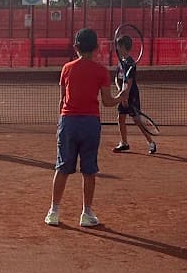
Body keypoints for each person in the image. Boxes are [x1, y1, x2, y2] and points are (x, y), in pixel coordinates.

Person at [46, 28, 117, 228]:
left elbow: (62, 100)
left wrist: (61, 124)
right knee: (89, 171)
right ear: (97, 48)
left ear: (76, 47)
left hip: (68, 122)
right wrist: (123, 96)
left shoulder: (66, 68)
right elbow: (108, 101)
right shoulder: (101, 71)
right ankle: (86, 213)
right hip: (90, 124)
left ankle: (54, 211)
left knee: (62, 168)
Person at [111, 34, 156, 155]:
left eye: (119, 46)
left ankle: (151, 143)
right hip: (123, 92)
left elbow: (129, 81)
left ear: (124, 47)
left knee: (136, 120)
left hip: (131, 94)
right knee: (120, 118)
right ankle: (124, 143)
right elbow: (117, 78)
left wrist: (125, 95)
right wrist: (121, 90)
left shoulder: (130, 63)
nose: (117, 49)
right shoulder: (121, 62)